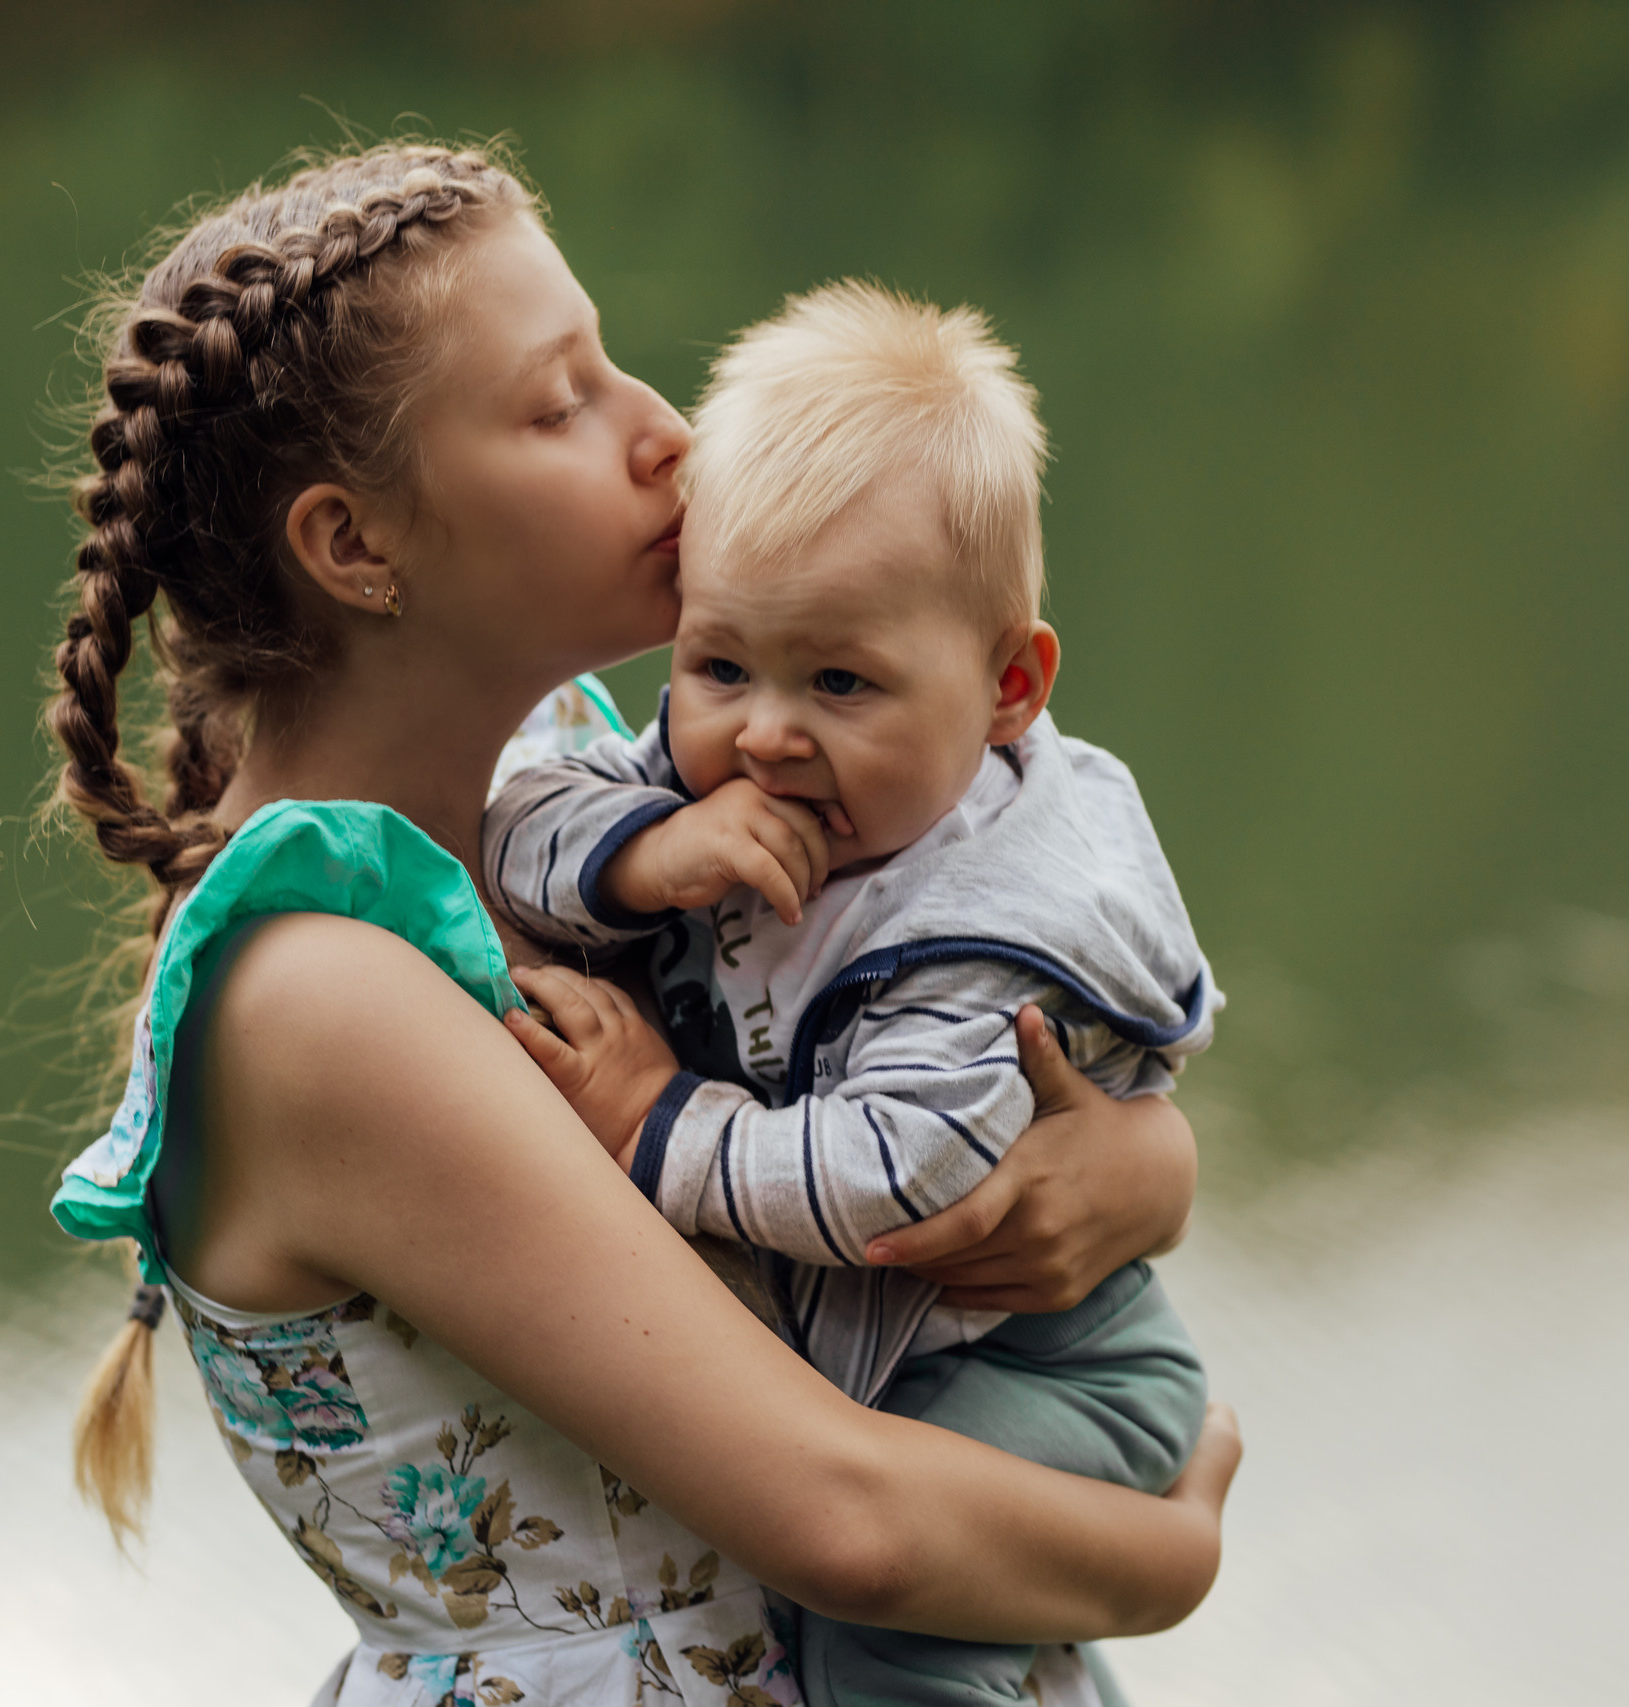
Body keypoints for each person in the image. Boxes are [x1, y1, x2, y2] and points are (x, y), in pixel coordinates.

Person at [39, 142, 1238, 1707]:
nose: (668, 435)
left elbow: (915, 1035)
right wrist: (1181, 1547)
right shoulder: (319, 996)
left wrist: (1142, 1164)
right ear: (356, 547)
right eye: (561, 404)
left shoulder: (600, 823)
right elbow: (846, 1523)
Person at [484, 281, 1216, 1706]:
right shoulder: (693, 779)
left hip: (1056, 1367)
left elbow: (881, 1184)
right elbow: (515, 824)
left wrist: (651, 1117)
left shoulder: (988, 927)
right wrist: (641, 860)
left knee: (896, 1640)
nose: (764, 734)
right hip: (921, 1369)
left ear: (1009, 687)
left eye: (841, 681)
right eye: (720, 665)